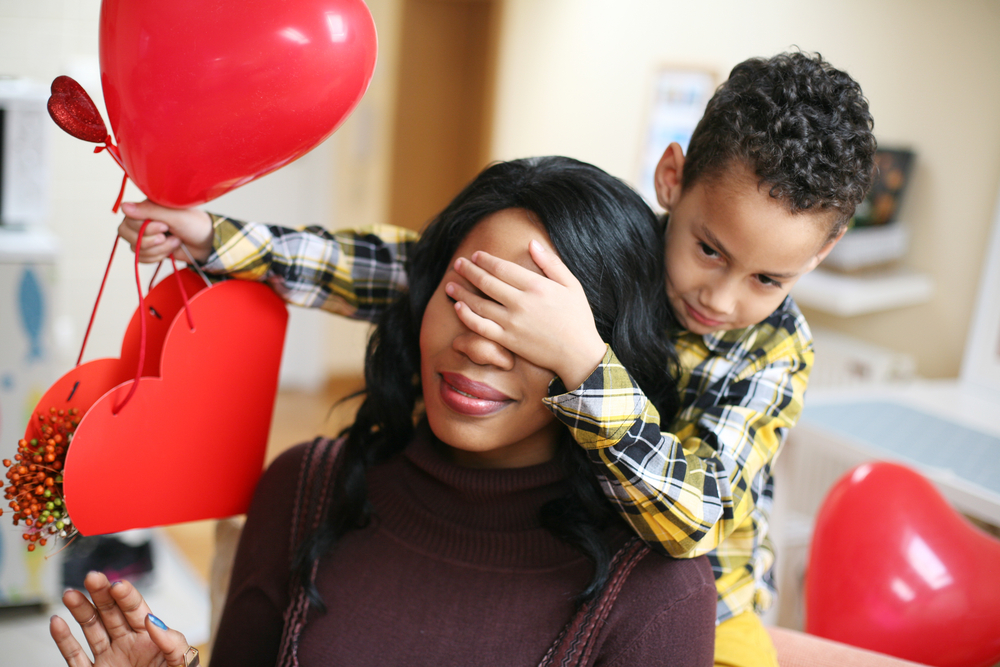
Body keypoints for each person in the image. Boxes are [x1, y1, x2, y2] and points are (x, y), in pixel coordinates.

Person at [118, 51, 877, 667]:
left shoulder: (774, 351)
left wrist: (582, 357)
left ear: (822, 254)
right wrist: (217, 238)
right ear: (671, 180)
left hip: (713, 601)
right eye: (709, 248)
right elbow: (398, 268)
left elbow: (691, 522)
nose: (720, 295)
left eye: (767, 280)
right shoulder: (623, 249)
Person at [51, 157, 718, 667]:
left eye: (527, 321)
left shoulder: (658, 589)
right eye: (463, 295)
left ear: (600, 351)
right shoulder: (304, 488)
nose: (478, 342)